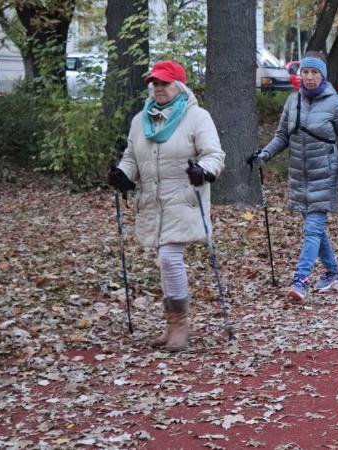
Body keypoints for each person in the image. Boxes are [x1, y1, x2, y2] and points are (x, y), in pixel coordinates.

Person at [107, 60, 225, 352]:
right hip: (152, 202)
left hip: (184, 199)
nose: (158, 89)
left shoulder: (197, 117)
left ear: (179, 85)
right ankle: (172, 324)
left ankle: (180, 326)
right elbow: (132, 157)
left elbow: (214, 154)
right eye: (155, 84)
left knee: (170, 258)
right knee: (165, 261)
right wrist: (123, 174)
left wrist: (204, 170)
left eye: (164, 83)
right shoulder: (140, 121)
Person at [246, 53, 338, 302]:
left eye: (313, 73)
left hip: (325, 174)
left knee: (312, 228)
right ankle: (333, 272)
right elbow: (282, 136)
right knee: (314, 228)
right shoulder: (292, 102)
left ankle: (300, 280)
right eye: (304, 72)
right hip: (299, 175)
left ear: (322, 76)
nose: (308, 77)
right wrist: (265, 154)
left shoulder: (335, 104)